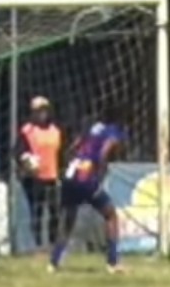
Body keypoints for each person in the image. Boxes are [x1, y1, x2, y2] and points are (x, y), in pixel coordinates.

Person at [48, 112, 127, 274]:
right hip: (86, 177)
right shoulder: (113, 131)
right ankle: (113, 262)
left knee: (67, 220)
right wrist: (100, 171)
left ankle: (53, 263)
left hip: (70, 176)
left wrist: (69, 166)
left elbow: (72, 147)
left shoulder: (90, 129)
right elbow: (105, 151)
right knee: (111, 215)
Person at [16, 96, 64, 251]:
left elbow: (61, 153)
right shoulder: (27, 130)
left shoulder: (55, 130)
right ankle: (37, 244)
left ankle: (52, 243)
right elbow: (18, 150)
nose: (41, 114)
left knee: (55, 210)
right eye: (38, 111)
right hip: (34, 177)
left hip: (52, 175)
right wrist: (26, 159)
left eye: (44, 111)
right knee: (37, 210)